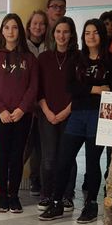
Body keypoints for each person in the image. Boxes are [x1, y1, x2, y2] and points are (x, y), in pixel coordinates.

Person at [40, 19, 112, 222]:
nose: (91, 36)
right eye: (87, 33)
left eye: (95, 32)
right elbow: (71, 87)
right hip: (77, 114)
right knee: (64, 159)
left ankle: (91, 204)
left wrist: (96, 90)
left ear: (102, 35)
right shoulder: (77, 59)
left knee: (93, 162)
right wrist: (95, 89)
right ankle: (57, 202)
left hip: (100, 115)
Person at [0, 13, 38, 213]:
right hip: (0, 115)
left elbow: (33, 87)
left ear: (20, 31)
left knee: (17, 155)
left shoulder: (29, 57)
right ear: (2, 30)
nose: (11, 31)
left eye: (15, 27)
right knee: (2, 154)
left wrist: (22, 109)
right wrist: (2, 110)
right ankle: (2, 194)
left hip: (23, 115)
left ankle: (14, 195)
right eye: (7, 27)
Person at [35, 17, 78, 214]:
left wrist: (64, 112)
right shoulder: (43, 58)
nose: (62, 35)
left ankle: (67, 196)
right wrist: (47, 111)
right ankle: (47, 194)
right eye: (58, 31)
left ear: (71, 34)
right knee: (49, 157)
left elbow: (80, 90)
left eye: (66, 32)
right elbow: (38, 89)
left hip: (71, 114)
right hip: (47, 113)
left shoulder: (78, 58)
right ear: (53, 34)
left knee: (67, 156)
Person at [24, 10, 49, 195]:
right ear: (29, 26)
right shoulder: (22, 46)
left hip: (46, 102)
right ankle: (10, 179)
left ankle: (39, 179)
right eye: (35, 23)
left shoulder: (51, 45)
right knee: (25, 144)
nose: (38, 27)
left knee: (42, 143)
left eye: (42, 24)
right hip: (26, 102)